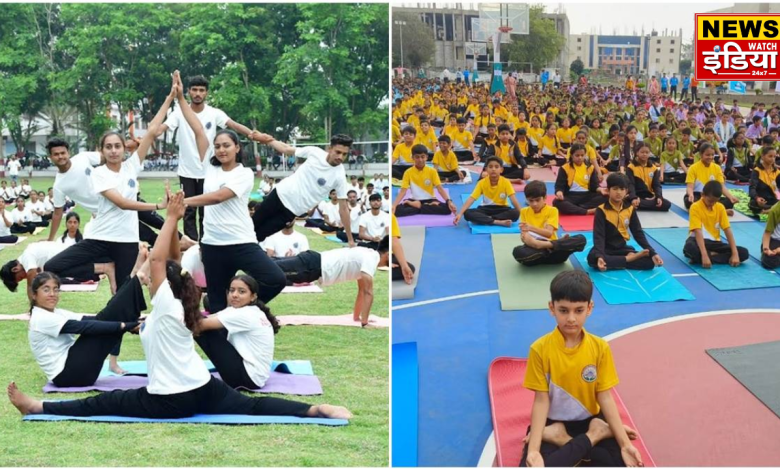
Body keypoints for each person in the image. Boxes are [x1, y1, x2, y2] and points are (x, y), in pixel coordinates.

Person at [7, 192, 352, 422]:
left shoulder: (170, 305)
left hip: (168, 401)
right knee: (252, 405)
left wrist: (172, 217)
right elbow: (167, 263)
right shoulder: (184, 306)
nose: (151, 277)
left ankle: (37, 406)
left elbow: (160, 259)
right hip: (204, 389)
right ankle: (315, 410)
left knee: (103, 402)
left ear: (164, 286)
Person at [169, 70, 286, 314]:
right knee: (217, 304)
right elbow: (197, 128)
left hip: (241, 242)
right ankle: (221, 323)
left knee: (276, 278)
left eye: (226, 146)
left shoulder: (242, 174)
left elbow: (219, 196)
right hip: (212, 246)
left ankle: (247, 307)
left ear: (236, 148)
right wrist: (180, 98)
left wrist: (184, 201)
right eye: (218, 146)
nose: (221, 150)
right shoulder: (206, 167)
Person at [44, 79, 176, 291]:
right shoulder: (99, 174)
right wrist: (159, 205)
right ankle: (105, 267)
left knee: (122, 292)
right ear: (102, 151)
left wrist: (170, 98)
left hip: (127, 239)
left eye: (117, 146)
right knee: (53, 266)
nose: (113, 150)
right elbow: (123, 203)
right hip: (100, 237)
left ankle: (126, 320)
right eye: (108, 147)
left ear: (124, 148)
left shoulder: (132, 166)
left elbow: (151, 131)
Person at [521, 270, 643, 467]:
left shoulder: (599, 347)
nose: (571, 318)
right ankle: (592, 435)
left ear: (590, 308)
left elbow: (605, 396)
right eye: (563, 310)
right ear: (552, 308)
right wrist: (534, 450)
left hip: (591, 419)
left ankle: (588, 432)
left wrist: (625, 444)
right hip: (552, 422)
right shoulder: (539, 349)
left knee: (616, 463)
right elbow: (541, 400)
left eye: (578, 310)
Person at [154, 74, 261, 241]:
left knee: (206, 209)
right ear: (188, 91)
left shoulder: (214, 113)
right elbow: (161, 128)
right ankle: (192, 244)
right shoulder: (179, 113)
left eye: (201, 90)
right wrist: (147, 136)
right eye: (194, 90)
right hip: (187, 171)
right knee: (188, 210)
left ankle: (205, 243)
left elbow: (233, 125)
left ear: (206, 93)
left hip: (209, 169)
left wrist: (253, 134)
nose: (198, 93)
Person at [26, 268, 146, 387]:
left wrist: (126, 325)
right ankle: (135, 279)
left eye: (55, 290)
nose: (52, 294)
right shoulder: (41, 318)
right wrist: (125, 325)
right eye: (46, 290)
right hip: (68, 376)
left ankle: (134, 278)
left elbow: (93, 320)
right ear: (34, 295)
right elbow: (85, 327)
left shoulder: (56, 313)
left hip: (77, 372)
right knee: (103, 324)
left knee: (105, 319)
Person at [251, 132, 356, 246]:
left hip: (290, 211)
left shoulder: (339, 176)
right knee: (251, 225)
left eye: (344, 154)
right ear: (329, 149)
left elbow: (343, 209)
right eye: (338, 152)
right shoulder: (315, 152)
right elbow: (286, 149)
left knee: (259, 236)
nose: (340, 157)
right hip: (279, 195)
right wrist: (267, 140)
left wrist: (350, 239)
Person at [274, 237, 391, 327]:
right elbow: (368, 292)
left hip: (312, 265)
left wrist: (357, 317)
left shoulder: (368, 254)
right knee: (270, 270)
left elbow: (362, 291)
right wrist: (365, 323)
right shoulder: (371, 259)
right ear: (387, 254)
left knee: (270, 266)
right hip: (312, 266)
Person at [194, 274, 281, 389]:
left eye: (241, 292)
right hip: (255, 377)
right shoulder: (243, 310)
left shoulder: (245, 314)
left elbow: (198, 325)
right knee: (203, 323)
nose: (234, 295)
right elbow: (209, 318)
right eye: (232, 290)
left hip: (247, 378)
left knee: (201, 329)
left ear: (253, 297)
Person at [588, 173, 663, 271]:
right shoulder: (601, 210)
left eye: (622, 189)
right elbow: (599, 236)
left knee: (650, 262)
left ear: (626, 191)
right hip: (606, 248)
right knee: (593, 259)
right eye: (615, 189)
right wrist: (600, 256)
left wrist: (653, 253)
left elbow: (638, 232)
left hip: (622, 248)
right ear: (608, 190)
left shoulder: (630, 209)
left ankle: (616, 262)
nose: (618, 192)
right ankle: (628, 259)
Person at [1, 241, 116, 299]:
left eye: (21, 277)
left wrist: (33, 303)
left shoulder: (26, 257)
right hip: (67, 261)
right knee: (53, 276)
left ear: (15, 268)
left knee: (50, 270)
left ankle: (104, 267)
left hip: (68, 255)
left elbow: (31, 282)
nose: (25, 277)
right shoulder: (30, 258)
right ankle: (103, 268)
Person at [512, 181, 586, 266]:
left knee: (581, 239)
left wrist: (532, 232)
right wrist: (531, 241)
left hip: (553, 248)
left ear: (545, 197)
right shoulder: (524, 211)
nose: (534, 204)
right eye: (531, 201)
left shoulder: (552, 211)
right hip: (536, 251)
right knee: (517, 251)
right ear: (526, 199)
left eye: (537, 200)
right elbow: (524, 238)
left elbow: (548, 233)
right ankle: (550, 247)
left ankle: (548, 245)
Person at [684, 181, 749, 268]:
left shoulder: (720, 207)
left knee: (743, 253)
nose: (712, 204)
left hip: (715, 243)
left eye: (715, 201)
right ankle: (707, 256)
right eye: (710, 201)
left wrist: (735, 253)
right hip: (697, 241)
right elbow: (698, 231)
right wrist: (704, 254)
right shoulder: (695, 207)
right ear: (702, 194)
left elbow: (727, 229)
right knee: (689, 248)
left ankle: (708, 257)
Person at [453, 157, 521, 227]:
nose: (493, 169)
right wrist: (460, 214)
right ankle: (497, 221)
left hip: (502, 208)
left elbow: (513, 200)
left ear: (501, 169)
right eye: (490, 167)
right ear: (486, 170)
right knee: (467, 213)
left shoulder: (506, 182)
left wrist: (522, 215)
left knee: (515, 213)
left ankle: (487, 219)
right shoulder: (481, 183)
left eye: (496, 167)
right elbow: (471, 198)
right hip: (486, 209)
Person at [393, 145, 457, 217]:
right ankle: (420, 206)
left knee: (447, 209)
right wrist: (394, 205)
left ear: (426, 157)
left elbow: (440, 188)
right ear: (412, 157)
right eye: (417, 157)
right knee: (397, 211)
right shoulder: (408, 172)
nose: (420, 160)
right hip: (414, 200)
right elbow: (403, 191)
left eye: (422, 157)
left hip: (430, 200)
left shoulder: (432, 171)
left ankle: (419, 206)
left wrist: (449, 202)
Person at [553, 143, 607, 215]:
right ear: (572, 155)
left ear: (585, 155)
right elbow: (559, 186)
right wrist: (559, 192)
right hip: (571, 196)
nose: (580, 157)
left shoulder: (590, 168)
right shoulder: (564, 168)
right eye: (577, 155)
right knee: (556, 202)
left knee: (607, 197)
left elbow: (594, 186)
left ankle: (576, 208)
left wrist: (601, 190)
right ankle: (586, 211)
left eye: (582, 155)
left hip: (587, 196)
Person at [684, 143, 738, 213]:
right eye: (707, 155)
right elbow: (690, 187)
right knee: (689, 201)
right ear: (701, 155)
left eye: (712, 155)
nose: (710, 157)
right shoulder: (693, 168)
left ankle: (703, 210)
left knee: (729, 202)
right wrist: (691, 194)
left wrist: (731, 197)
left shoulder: (717, 168)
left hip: (711, 197)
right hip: (698, 195)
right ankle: (718, 210)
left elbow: (721, 186)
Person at [626, 142, 671, 211]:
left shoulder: (654, 168)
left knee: (667, 204)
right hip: (636, 195)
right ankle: (636, 202)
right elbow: (630, 184)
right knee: (627, 200)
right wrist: (633, 198)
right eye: (642, 152)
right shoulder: (631, 167)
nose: (644, 154)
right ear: (637, 152)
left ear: (650, 153)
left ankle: (639, 204)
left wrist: (658, 196)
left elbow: (657, 185)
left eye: (647, 152)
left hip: (649, 196)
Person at [748, 146, 780, 214]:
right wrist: (757, 198)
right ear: (762, 156)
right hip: (759, 200)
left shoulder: (777, 172)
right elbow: (752, 189)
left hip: (772, 199)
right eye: (770, 156)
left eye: (774, 157)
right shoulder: (757, 171)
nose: (773, 159)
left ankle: (766, 211)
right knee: (752, 204)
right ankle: (772, 210)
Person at [390, 214, 415, 284]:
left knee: (409, 269)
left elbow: (394, 241)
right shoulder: (366, 217)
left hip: (387, 255)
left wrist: (404, 266)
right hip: (373, 253)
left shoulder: (390, 217)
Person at [761, 202, 780, 269]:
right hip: (775, 241)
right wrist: (766, 249)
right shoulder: (775, 210)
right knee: (769, 261)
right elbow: (767, 233)